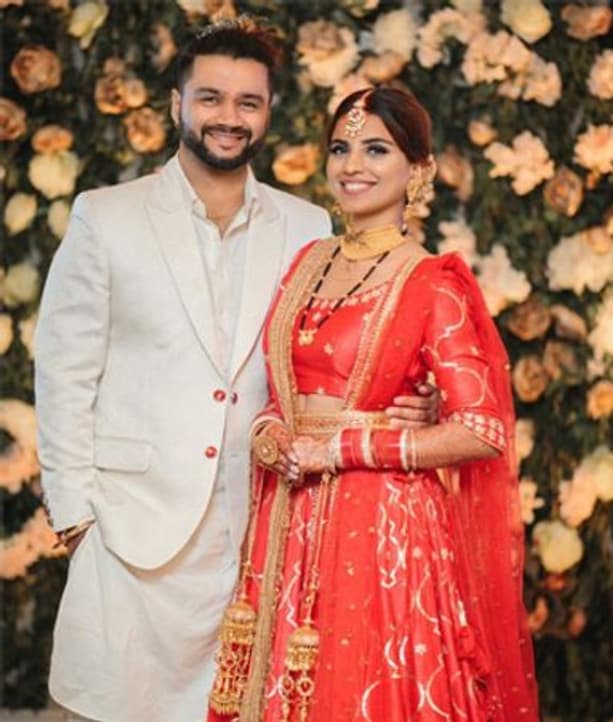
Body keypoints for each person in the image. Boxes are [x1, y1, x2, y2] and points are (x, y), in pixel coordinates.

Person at [35, 20, 435, 722]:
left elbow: (339, 357)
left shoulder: (308, 226)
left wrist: (413, 402)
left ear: (268, 112)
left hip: (262, 532)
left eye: (248, 102)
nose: (229, 117)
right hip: (130, 532)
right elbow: (65, 373)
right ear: (177, 104)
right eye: (210, 98)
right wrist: (75, 520)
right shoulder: (107, 217)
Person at [204, 86, 538, 722]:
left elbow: (481, 428)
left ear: (418, 170)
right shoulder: (308, 262)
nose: (352, 165)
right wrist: (271, 434)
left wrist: (344, 446)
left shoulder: (433, 282)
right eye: (340, 148)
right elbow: (281, 389)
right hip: (288, 518)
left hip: (383, 528)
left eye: (376, 149)